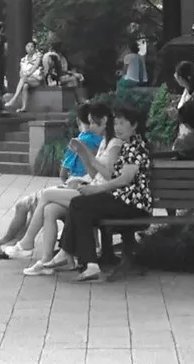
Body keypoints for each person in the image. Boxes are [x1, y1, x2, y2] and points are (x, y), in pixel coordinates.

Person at [0, 104, 104, 259]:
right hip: (88, 186)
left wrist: (75, 174)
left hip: (82, 187)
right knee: (45, 206)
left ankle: (12, 242)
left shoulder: (80, 141)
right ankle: (25, 247)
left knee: (28, 203)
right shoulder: (102, 140)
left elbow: (64, 173)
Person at [58, 109, 155, 279]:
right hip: (121, 200)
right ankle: (84, 260)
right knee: (79, 204)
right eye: (116, 123)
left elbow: (124, 180)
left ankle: (72, 255)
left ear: (134, 126)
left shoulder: (136, 146)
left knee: (79, 204)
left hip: (132, 204)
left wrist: (95, 189)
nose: (117, 127)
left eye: (122, 123)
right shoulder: (125, 144)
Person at [4, 39, 44, 114]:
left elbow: (35, 66)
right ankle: (24, 107)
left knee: (23, 79)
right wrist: (24, 75)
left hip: (37, 79)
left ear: (34, 48)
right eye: (28, 46)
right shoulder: (23, 60)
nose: (30, 48)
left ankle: (14, 99)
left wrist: (28, 74)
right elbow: (21, 72)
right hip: (27, 80)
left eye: (32, 46)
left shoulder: (38, 56)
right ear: (25, 48)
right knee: (25, 86)